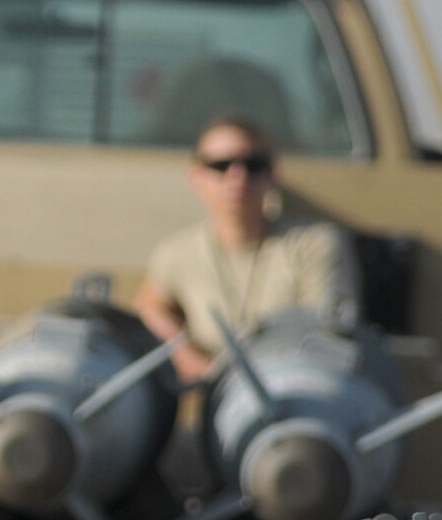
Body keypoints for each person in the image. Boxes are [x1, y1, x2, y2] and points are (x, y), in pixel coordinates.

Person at [134, 113, 359, 383]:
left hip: (295, 387)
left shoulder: (314, 244)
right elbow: (150, 305)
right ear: (196, 176)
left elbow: (326, 334)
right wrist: (189, 359)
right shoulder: (177, 252)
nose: (237, 177)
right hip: (214, 399)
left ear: (273, 174)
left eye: (253, 165)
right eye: (220, 165)